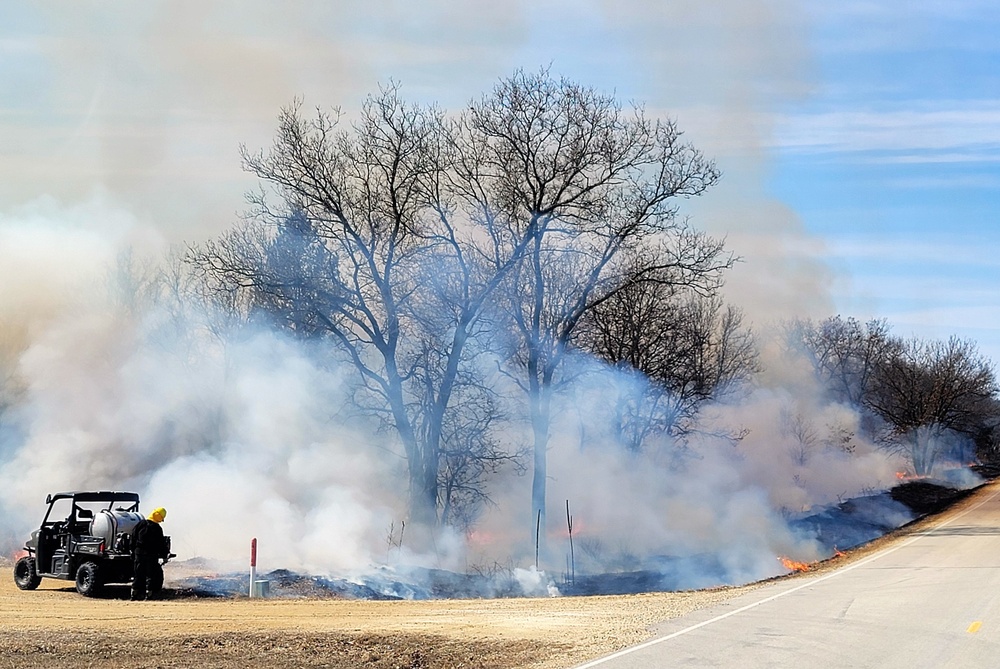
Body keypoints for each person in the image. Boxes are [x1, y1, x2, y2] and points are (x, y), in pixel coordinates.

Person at [130, 507, 168, 601]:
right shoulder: (158, 528)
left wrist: (132, 551)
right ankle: (149, 595)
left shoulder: (141, 524)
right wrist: (164, 555)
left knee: (138, 574)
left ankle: (133, 595)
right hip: (152, 555)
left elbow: (133, 538)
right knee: (151, 575)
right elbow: (161, 544)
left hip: (139, 553)